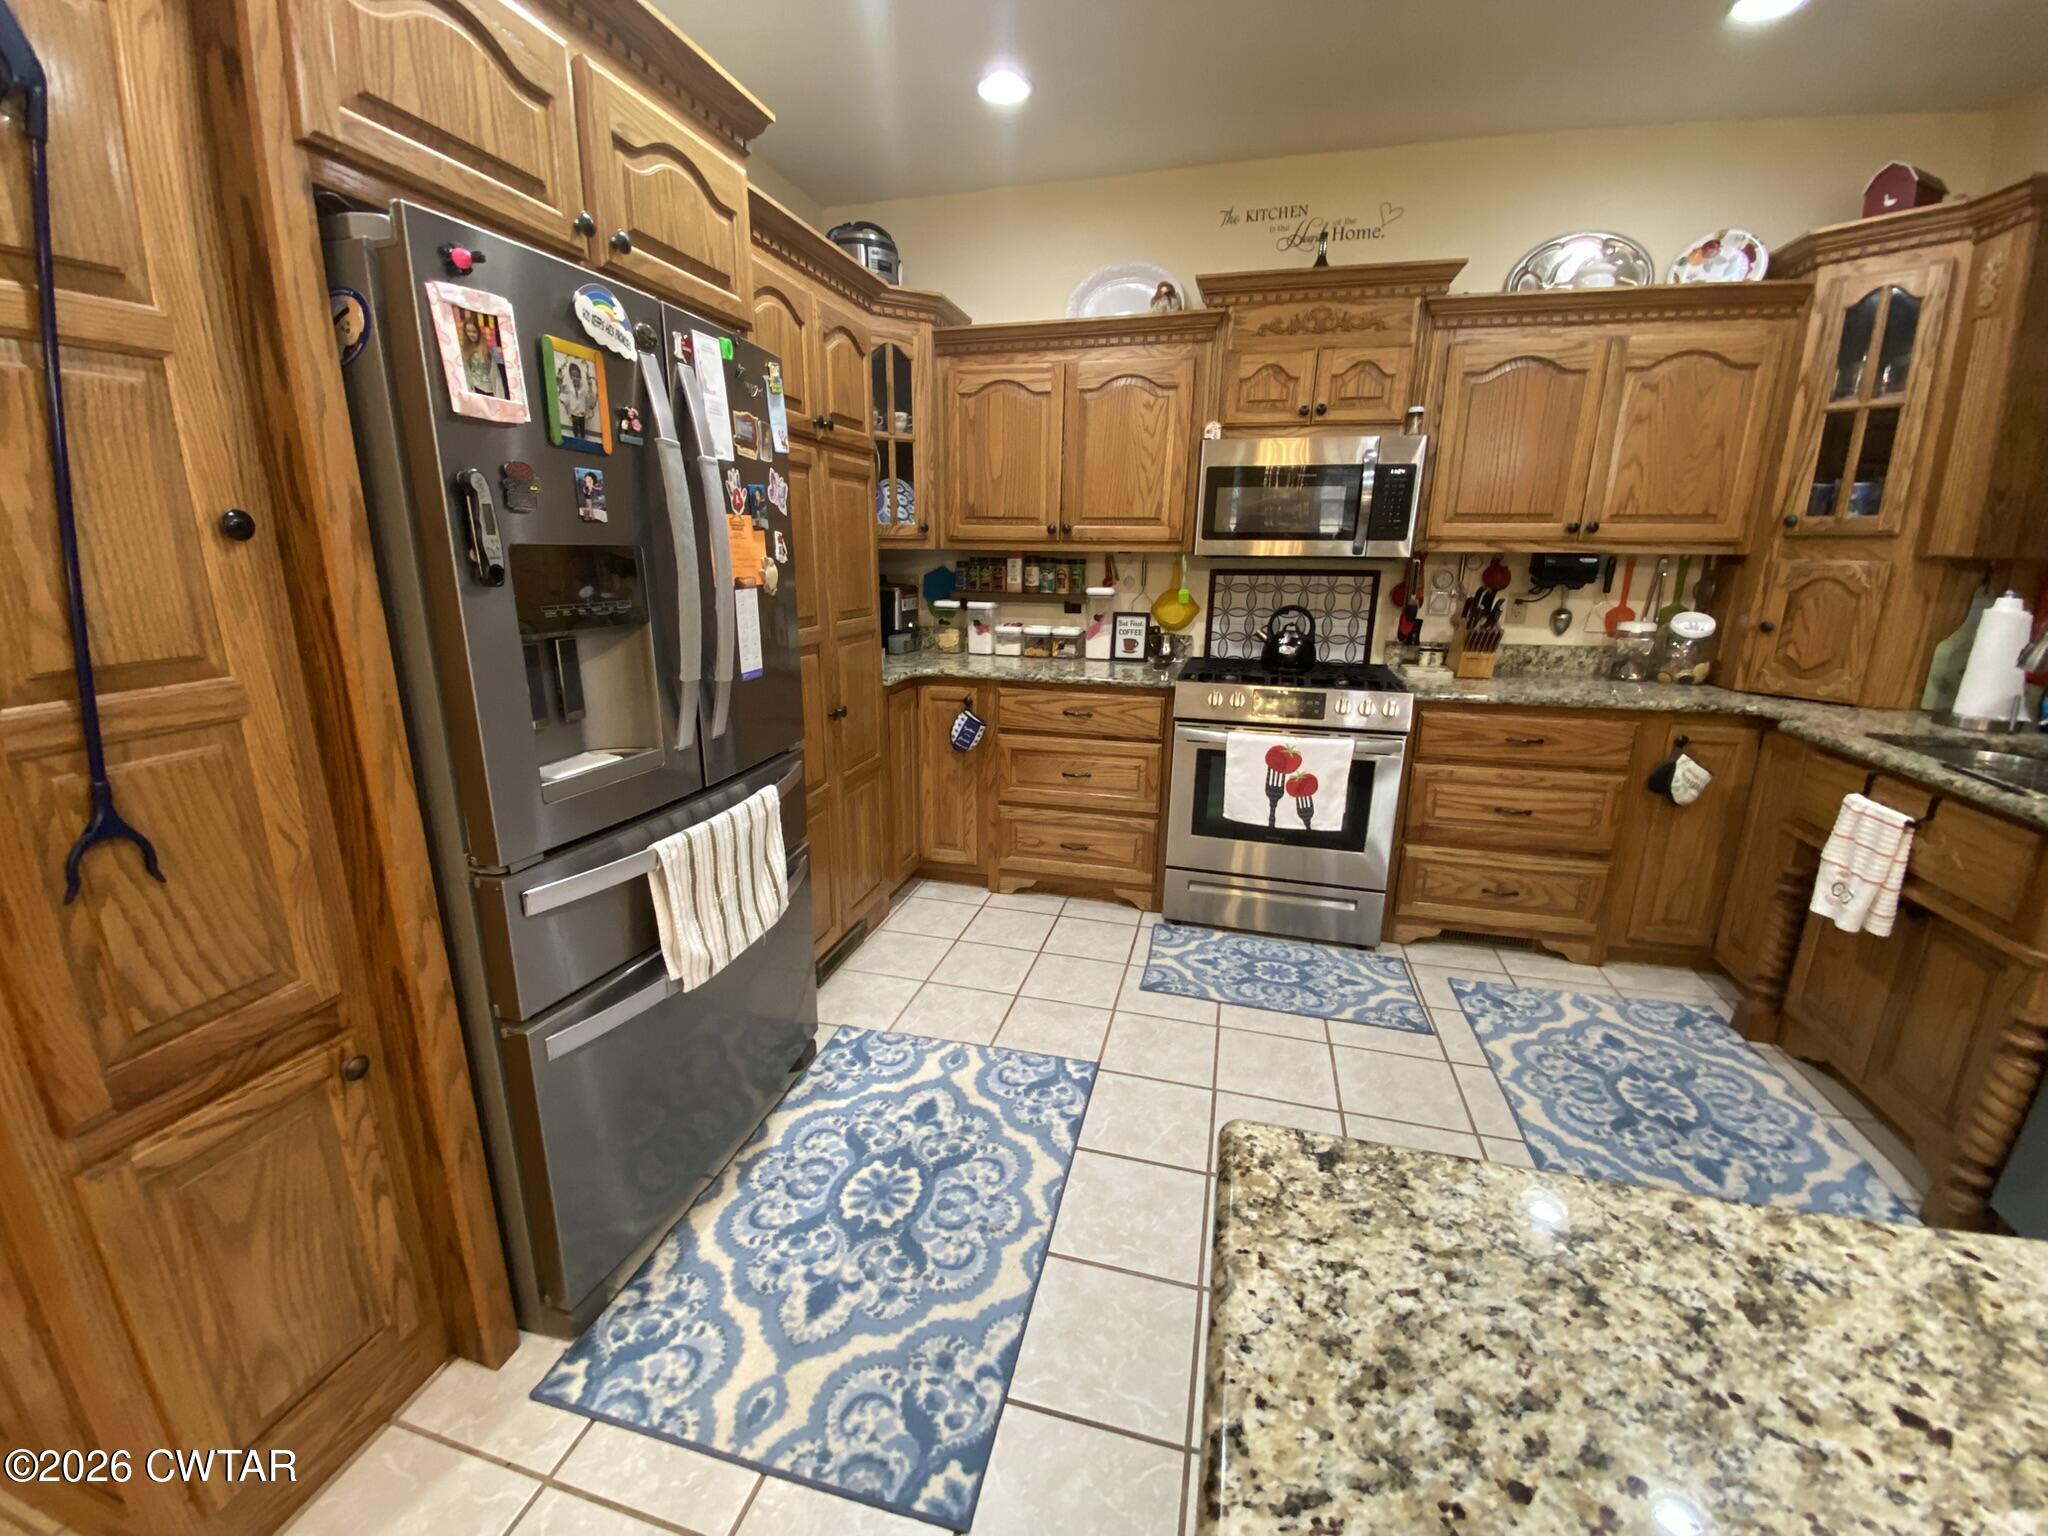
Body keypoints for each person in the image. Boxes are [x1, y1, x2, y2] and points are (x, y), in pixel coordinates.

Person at [460, 311, 502, 397]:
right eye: (468, 331)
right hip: (475, 389)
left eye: (474, 331)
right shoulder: (465, 349)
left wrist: (499, 394)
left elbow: (495, 372)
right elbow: (467, 371)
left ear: (479, 332)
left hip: (490, 390)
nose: (471, 334)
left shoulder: (487, 348)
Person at [560, 357, 597, 430]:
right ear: (570, 377)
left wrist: (590, 387)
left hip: (582, 414)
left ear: (580, 376)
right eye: (573, 376)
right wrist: (559, 380)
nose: (575, 378)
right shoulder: (568, 387)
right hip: (573, 413)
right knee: (575, 429)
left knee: (582, 429)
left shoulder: (584, 389)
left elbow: (591, 402)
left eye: (577, 376)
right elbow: (558, 390)